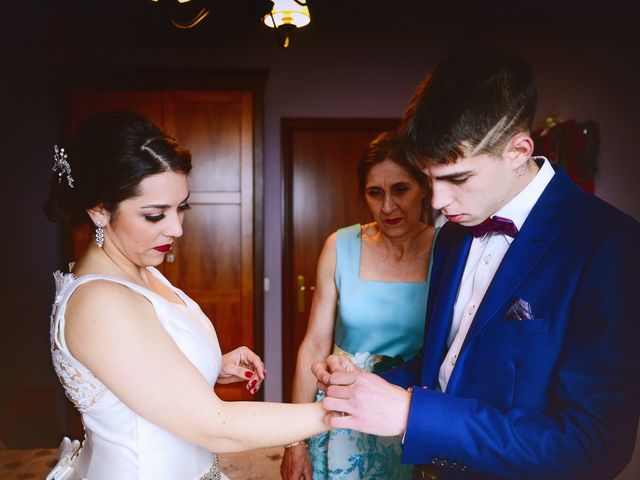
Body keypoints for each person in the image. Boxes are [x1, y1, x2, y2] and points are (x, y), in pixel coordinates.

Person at [314, 46, 640, 479]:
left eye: (458, 178)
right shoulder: (453, 235)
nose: (438, 201)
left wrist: (414, 415)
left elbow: (594, 446)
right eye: (429, 179)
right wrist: (368, 383)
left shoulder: (609, 244)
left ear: (519, 151)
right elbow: (446, 364)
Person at [43, 110, 328, 480]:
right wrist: (334, 412)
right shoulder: (99, 301)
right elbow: (215, 426)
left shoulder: (142, 270)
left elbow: (143, 366)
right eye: (154, 215)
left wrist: (211, 363)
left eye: (182, 208)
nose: (176, 228)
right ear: (99, 209)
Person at [280, 131, 437, 480]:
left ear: (424, 186)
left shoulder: (448, 249)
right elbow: (314, 345)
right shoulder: (340, 245)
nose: (387, 207)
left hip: (409, 414)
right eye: (375, 193)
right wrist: (295, 442)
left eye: (400, 189)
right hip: (342, 416)